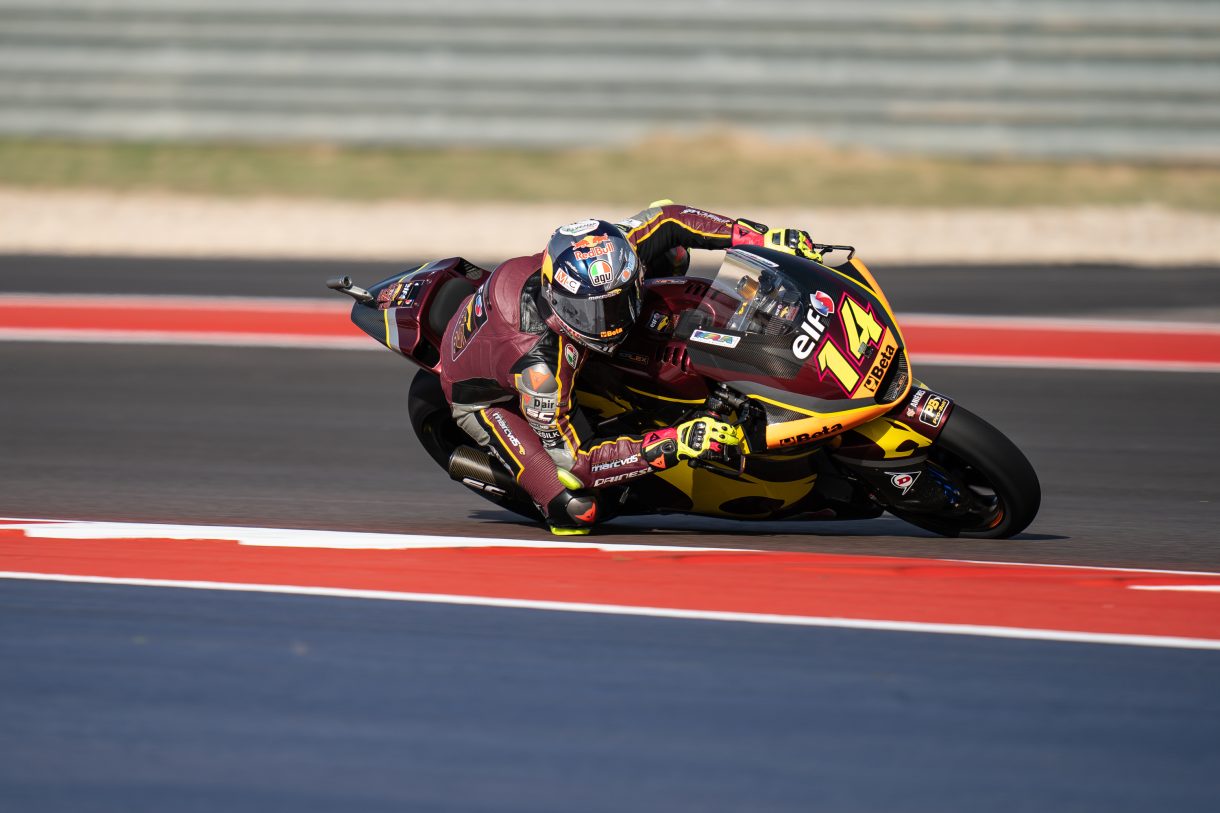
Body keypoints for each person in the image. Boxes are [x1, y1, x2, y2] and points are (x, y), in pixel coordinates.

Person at [438, 200, 817, 534]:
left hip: (524, 318)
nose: (609, 324)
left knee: (673, 254)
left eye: (617, 303)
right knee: (576, 508)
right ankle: (529, 483)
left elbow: (669, 219)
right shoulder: (541, 371)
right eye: (589, 312)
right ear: (557, 299)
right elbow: (578, 461)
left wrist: (756, 238)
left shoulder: (605, 249)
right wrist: (676, 442)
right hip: (485, 397)